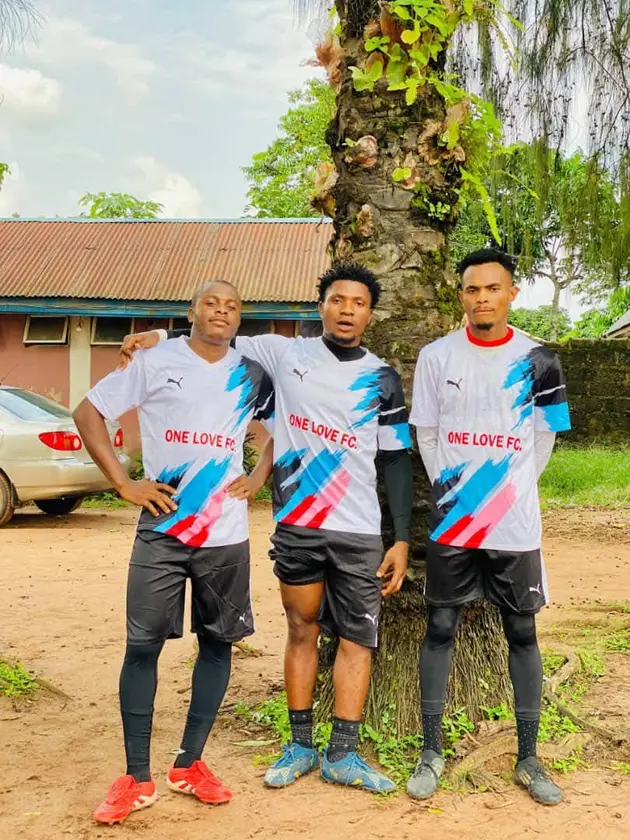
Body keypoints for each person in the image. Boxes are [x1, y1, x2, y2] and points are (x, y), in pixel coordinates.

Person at [119, 262, 414, 794]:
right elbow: (214, 332)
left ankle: (343, 754)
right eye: (338, 300)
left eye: (359, 303)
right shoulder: (284, 352)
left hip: (359, 530)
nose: (347, 311)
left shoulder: (383, 378)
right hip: (298, 524)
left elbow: (394, 459)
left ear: (370, 313)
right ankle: (300, 746)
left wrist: (402, 538)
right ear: (321, 306)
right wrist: (158, 336)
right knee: (301, 628)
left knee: (357, 638)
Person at [73, 280, 274, 825]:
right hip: (162, 529)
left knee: (218, 643)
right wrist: (123, 483)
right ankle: (136, 776)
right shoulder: (153, 359)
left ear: (240, 318)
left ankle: (189, 765)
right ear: (192, 312)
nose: (222, 312)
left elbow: (281, 429)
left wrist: (259, 474)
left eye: (232, 306)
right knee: (142, 646)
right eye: (212, 303)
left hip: (225, 534)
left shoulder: (253, 371)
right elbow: (88, 412)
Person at [407, 248, 571, 806]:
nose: (482, 299)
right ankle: (431, 751)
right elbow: (428, 434)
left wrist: (509, 491)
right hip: (453, 521)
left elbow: (544, 438)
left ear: (511, 294)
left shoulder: (540, 359)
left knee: (522, 632)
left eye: (493, 288)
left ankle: (529, 757)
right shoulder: (436, 357)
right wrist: (457, 492)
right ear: (461, 295)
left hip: (515, 524)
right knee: (440, 626)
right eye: (472, 289)